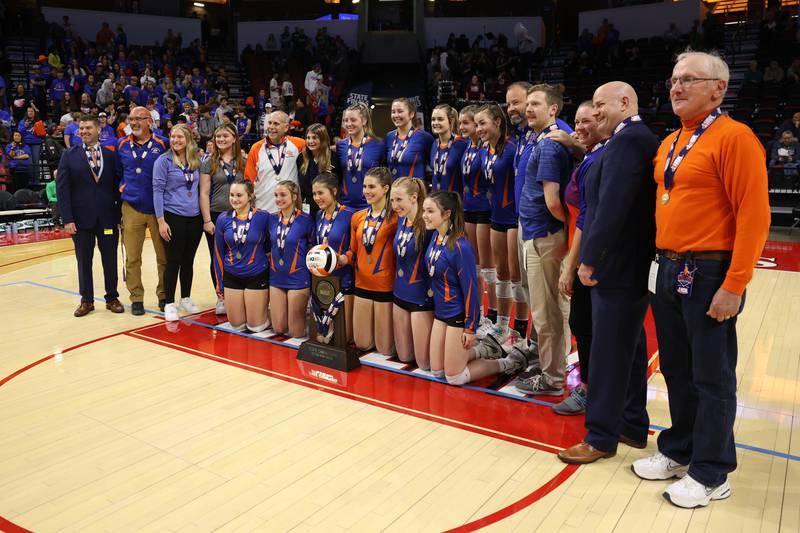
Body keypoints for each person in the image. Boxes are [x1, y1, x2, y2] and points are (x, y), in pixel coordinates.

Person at [632, 51, 770, 508]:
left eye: (689, 79)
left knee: (712, 376)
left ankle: (712, 472)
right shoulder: (672, 140)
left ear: (718, 88)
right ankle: (680, 448)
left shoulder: (736, 138)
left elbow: (754, 216)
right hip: (667, 266)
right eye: (673, 79)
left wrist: (734, 284)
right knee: (675, 368)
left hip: (709, 269)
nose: (676, 86)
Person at [557, 81, 659, 465]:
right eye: (593, 105)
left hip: (615, 265)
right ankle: (632, 424)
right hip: (628, 265)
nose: (596, 112)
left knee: (609, 352)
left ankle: (600, 436)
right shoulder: (630, 139)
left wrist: (591, 258)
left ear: (625, 102)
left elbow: (610, 208)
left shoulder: (628, 141)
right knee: (629, 350)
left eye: (601, 105)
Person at [424, 191, 527, 385]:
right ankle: (485, 350)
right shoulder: (434, 238)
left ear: (447, 214)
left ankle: (508, 362)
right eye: (424, 210)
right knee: (437, 372)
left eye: (430, 211)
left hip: (456, 317)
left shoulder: (461, 247)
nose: (424, 216)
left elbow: (471, 291)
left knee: (454, 377)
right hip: (440, 315)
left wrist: (470, 329)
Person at [514, 84, 574, 396]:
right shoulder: (541, 139)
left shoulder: (549, 144)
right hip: (542, 233)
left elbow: (553, 201)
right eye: (529, 104)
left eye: (536, 104)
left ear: (553, 109)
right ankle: (554, 367)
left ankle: (552, 379)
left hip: (544, 235)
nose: (529, 109)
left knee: (546, 311)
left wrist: (564, 230)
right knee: (552, 308)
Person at [550, 101, 607, 415]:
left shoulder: (599, 159)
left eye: (589, 121)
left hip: (587, 256)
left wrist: (570, 265)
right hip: (580, 249)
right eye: (577, 122)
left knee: (586, 325)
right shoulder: (588, 157)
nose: (581, 128)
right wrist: (571, 141)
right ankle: (591, 386)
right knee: (582, 323)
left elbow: (586, 217)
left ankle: (589, 390)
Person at [56, 114, 124, 317]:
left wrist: (119, 214)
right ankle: (86, 300)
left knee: (110, 259)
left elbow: (118, 186)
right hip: (80, 220)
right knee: (84, 260)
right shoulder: (69, 155)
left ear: (98, 130)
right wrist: (67, 219)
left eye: (88, 128)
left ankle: (112, 297)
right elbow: (62, 189)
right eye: (81, 128)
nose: (84, 131)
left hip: (108, 217)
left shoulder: (111, 156)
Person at [473, 103, 520, 353]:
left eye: (483, 123)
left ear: (498, 123)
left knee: (516, 275)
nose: (479, 128)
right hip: (496, 217)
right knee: (500, 272)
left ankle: (520, 329)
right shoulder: (483, 151)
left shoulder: (513, 149)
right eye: (477, 124)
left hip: (514, 217)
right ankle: (501, 325)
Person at [116, 106, 170, 315]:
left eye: (139, 118)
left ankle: (164, 295)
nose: (134, 122)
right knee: (132, 257)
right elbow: (118, 173)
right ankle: (136, 297)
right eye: (131, 119)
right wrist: (125, 189)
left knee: (163, 256)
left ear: (150, 121)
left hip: (159, 209)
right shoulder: (121, 145)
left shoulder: (163, 143)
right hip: (131, 207)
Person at [153, 123, 204, 322]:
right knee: (173, 261)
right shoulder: (163, 161)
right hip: (173, 215)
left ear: (188, 139)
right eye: (173, 137)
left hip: (195, 217)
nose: (175, 140)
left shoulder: (196, 161)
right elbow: (157, 191)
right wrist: (161, 221)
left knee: (188, 260)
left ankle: (185, 298)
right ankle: (169, 302)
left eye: (180, 137)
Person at [345, 166, 397, 354]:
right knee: (362, 345)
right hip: (362, 284)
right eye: (365, 186)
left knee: (385, 350)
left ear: (385, 188)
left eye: (372, 187)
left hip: (385, 286)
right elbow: (353, 251)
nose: (366, 191)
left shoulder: (396, 218)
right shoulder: (357, 217)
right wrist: (341, 259)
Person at [459, 105, 496, 338]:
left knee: (488, 266)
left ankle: (492, 316)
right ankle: (480, 312)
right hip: (468, 209)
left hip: (485, 209)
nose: (462, 127)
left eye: (467, 123)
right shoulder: (467, 146)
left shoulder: (485, 148)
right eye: (460, 123)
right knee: (475, 266)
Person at [213, 179, 271, 332]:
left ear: (250, 196)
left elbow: (270, 245)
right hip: (232, 275)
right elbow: (218, 252)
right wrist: (219, 282)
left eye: (239, 195)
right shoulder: (223, 219)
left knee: (255, 327)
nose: (234, 199)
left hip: (256, 275)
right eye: (232, 195)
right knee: (237, 326)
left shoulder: (263, 217)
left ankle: (268, 313)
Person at [201, 123, 246, 315]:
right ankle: (221, 297)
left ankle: (241, 294)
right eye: (217, 137)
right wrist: (206, 220)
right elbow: (203, 193)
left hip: (242, 216)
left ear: (234, 138)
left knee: (241, 256)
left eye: (225, 136)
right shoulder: (208, 162)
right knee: (217, 258)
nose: (221, 139)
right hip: (217, 216)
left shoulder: (244, 160)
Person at [390, 177, 434, 368]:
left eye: (399, 200)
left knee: (424, 364)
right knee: (404, 357)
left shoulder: (429, 225)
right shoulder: (401, 221)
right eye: (392, 200)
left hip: (421, 298)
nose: (394, 205)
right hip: (399, 294)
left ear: (414, 197)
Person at [312, 172, 356, 343]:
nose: (317, 198)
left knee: (343, 338)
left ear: (334, 191)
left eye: (321, 193)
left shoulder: (350, 215)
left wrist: (345, 258)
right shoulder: (318, 216)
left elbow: (356, 249)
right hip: (322, 279)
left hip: (344, 279)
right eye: (314, 193)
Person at [267, 180, 313, 337]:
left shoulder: (306, 220)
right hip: (276, 277)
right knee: (279, 329)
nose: (278, 199)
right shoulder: (271, 219)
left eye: (283, 195)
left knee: (295, 333)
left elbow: (312, 247)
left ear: (294, 196)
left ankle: (307, 323)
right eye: (276, 195)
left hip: (298, 279)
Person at [245, 110, 305, 214]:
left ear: (286, 127)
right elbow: (249, 180)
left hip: (290, 211)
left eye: (276, 124)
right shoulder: (256, 148)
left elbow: (318, 146)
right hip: (263, 209)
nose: (271, 127)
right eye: (270, 123)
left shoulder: (298, 144)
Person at [337, 102, 384, 210]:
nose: (348, 124)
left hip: (370, 205)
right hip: (345, 206)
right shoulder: (341, 145)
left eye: (353, 120)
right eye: (346, 120)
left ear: (364, 121)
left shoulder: (378, 145)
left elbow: (384, 175)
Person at [384, 98, 433, 180]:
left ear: (411, 114)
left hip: (414, 191)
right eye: (393, 112)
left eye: (400, 111)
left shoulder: (424, 137)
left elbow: (434, 165)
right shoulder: (389, 137)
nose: (396, 115)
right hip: (393, 190)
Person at [298, 123, 337, 218]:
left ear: (323, 139)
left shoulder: (333, 158)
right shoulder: (301, 158)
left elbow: (337, 184)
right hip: (306, 207)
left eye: (314, 138)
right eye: (308, 138)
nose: (310, 141)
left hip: (327, 207)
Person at [430, 104, 468, 193]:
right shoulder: (434, 144)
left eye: (440, 119)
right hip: (436, 200)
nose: (435, 123)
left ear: (451, 121)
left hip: (454, 201)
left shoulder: (462, 144)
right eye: (433, 119)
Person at [17, 107, 46, 183]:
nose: (30, 112)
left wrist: (37, 128)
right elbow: (19, 133)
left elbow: (43, 134)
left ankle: (36, 181)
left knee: (36, 162)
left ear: (34, 112)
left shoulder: (39, 122)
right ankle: (30, 181)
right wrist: (25, 126)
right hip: (26, 144)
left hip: (36, 143)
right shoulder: (22, 122)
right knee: (29, 163)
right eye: (28, 111)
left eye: (31, 111)